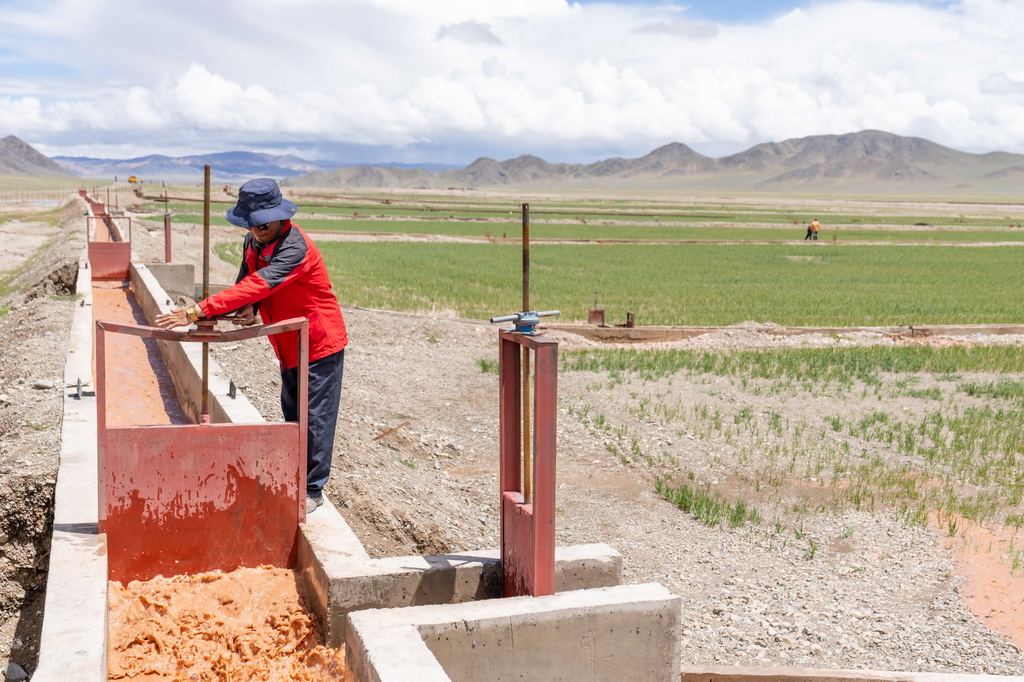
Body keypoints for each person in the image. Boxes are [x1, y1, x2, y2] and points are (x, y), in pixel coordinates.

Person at [154, 178, 347, 514]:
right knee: (293, 413)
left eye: (263, 224)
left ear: (280, 218)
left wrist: (197, 310)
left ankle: (312, 490)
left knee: (314, 417)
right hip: (287, 341)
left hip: (317, 342)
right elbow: (247, 283)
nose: (257, 230)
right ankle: (295, 474)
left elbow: (262, 283)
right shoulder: (254, 242)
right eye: (251, 225)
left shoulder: (295, 248)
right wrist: (252, 307)